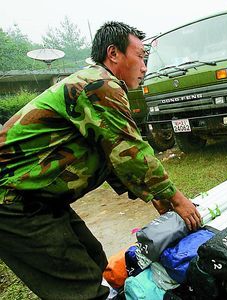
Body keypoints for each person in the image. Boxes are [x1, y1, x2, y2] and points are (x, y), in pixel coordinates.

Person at [0, 21, 201, 299]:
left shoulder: (99, 84)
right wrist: (176, 198)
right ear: (114, 54)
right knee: (78, 286)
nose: (144, 66)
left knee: (93, 258)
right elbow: (130, 149)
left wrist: (152, 194)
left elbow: (107, 151)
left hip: (41, 198)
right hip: (13, 201)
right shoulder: (98, 84)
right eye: (140, 56)